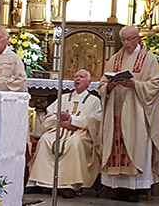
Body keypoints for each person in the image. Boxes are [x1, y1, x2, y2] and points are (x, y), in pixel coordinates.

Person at [99, 26, 159, 202]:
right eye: (124, 40)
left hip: (137, 113)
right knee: (116, 148)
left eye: (130, 39)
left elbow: (155, 84)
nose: (127, 43)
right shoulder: (115, 59)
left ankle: (135, 189)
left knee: (134, 147)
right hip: (116, 112)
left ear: (138, 38)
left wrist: (134, 84)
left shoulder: (149, 59)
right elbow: (102, 85)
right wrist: (109, 86)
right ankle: (118, 187)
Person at [26, 69, 102, 199]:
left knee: (75, 143)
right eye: (76, 76)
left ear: (89, 83)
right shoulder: (64, 97)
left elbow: (94, 121)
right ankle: (38, 182)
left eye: (81, 77)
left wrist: (73, 120)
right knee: (45, 140)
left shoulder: (94, 101)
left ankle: (70, 185)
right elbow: (48, 117)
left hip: (81, 133)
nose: (77, 79)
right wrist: (61, 122)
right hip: (59, 130)